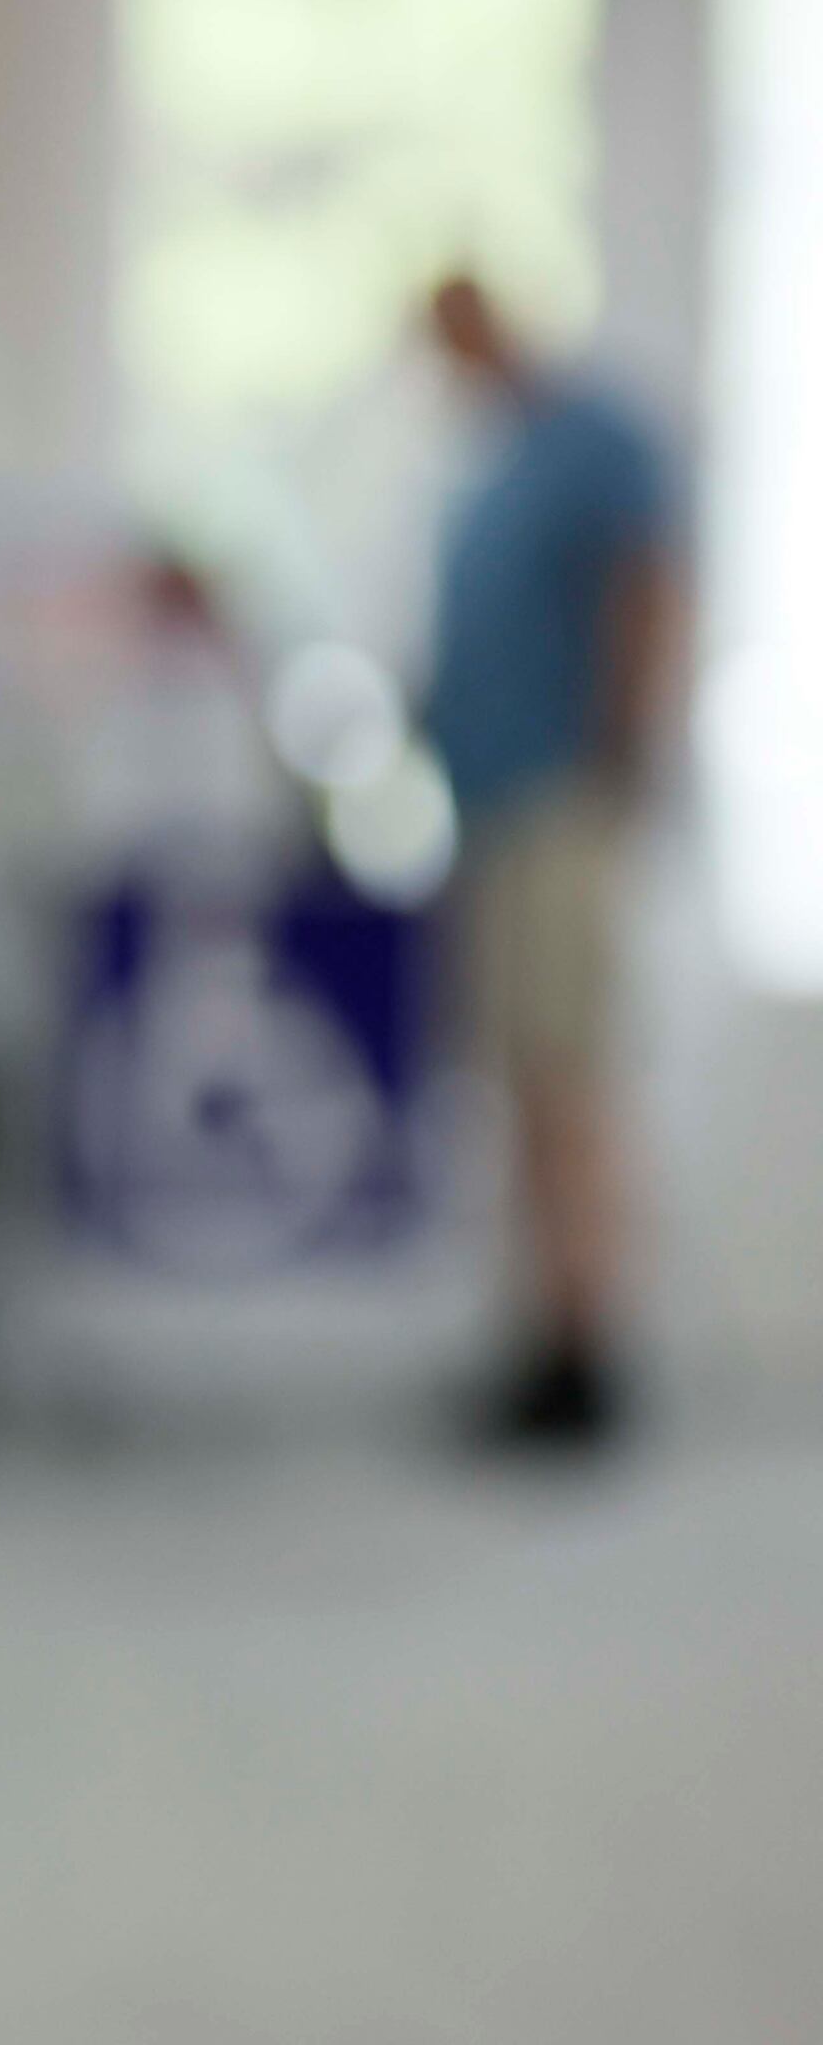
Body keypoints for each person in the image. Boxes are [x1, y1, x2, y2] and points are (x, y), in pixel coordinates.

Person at [418, 273, 684, 1451]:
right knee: (524, 1079)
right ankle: (541, 1339)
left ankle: (590, 1347)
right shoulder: (499, 463)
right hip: (491, 806)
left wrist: (622, 759)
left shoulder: (596, 441)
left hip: (564, 801)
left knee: (572, 1077)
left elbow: (650, 591)